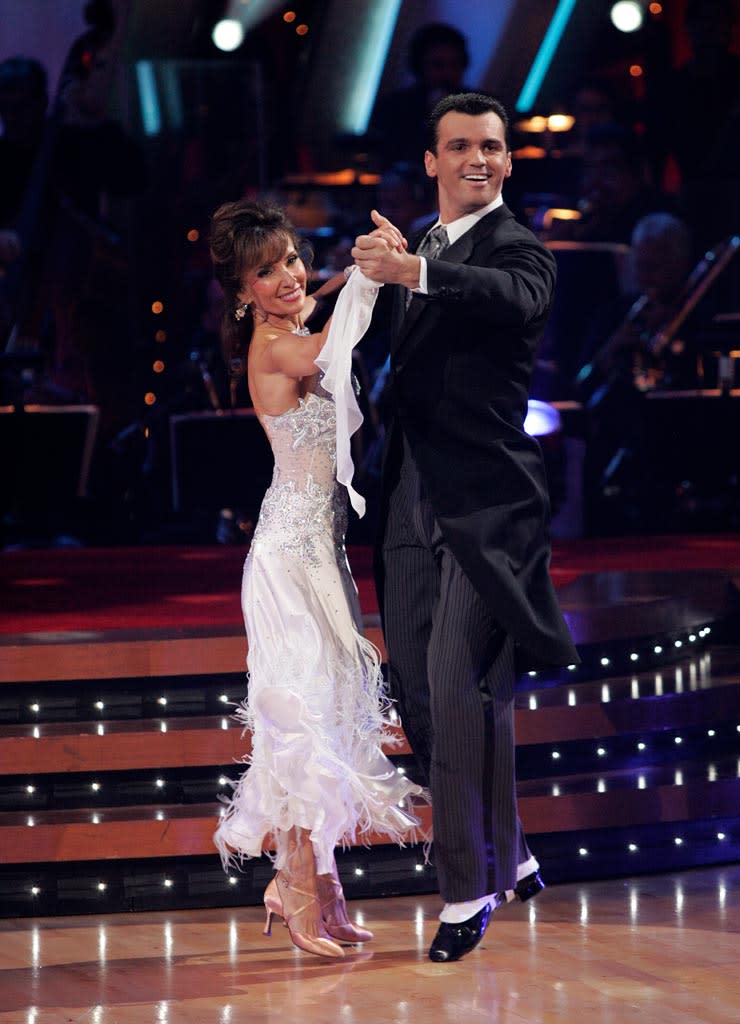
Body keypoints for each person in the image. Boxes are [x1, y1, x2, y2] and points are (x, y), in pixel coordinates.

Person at [352, 92, 579, 963]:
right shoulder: (417, 245)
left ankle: (466, 889)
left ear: (508, 162)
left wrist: (415, 275)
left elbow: (512, 299)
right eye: (462, 146)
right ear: (433, 161)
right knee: (417, 693)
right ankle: (511, 844)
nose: (479, 158)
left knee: (459, 687)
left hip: (488, 510)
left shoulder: (517, 248)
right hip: (409, 498)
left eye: (493, 146)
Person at [209, 199, 425, 960]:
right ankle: (298, 886)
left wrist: (370, 269)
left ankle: (322, 886)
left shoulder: (293, 332)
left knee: (329, 722)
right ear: (243, 293)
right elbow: (333, 354)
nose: (289, 277)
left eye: (293, 260)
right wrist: (373, 275)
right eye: (265, 271)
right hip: (285, 562)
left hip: (321, 557)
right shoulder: (273, 347)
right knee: (299, 729)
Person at [368, 23, 472, 168]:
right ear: (419, 66)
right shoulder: (393, 107)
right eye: (438, 65)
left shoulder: (482, 107)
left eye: (454, 65)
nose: (447, 73)